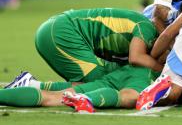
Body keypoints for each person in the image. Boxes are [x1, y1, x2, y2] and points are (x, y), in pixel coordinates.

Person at [5, 8, 161, 91]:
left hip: (56, 29)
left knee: (103, 79)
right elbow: (136, 57)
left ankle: (30, 85)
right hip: (61, 32)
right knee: (100, 84)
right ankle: (30, 86)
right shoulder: (147, 27)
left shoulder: (145, 27)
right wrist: (164, 70)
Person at [0, 65, 159, 113]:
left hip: (125, 68)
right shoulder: (178, 15)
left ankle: (31, 85)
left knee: (53, 97)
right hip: (149, 71)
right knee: (129, 97)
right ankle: (88, 99)